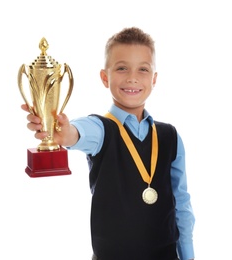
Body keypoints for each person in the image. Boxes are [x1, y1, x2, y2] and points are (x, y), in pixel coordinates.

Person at [21, 27, 195, 260]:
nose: (132, 77)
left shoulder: (170, 136)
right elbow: (78, 132)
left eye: (143, 69)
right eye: (122, 68)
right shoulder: (101, 129)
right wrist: (61, 130)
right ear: (105, 77)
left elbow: (181, 201)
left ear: (154, 79)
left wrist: (188, 255)